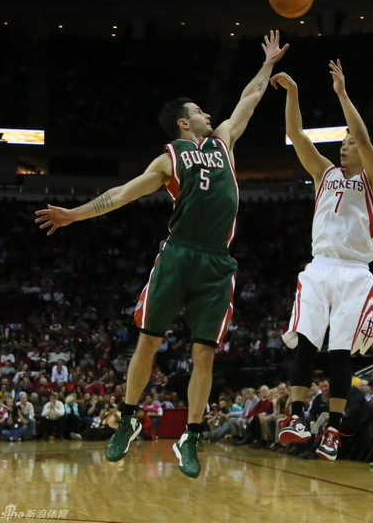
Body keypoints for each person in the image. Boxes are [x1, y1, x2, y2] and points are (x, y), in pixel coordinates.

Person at [35, 31, 288, 478]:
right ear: (183, 123)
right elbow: (121, 194)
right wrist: (74, 214)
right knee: (148, 341)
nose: (208, 114)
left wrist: (267, 64)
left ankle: (191, 436)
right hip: (178, 255)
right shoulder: (168, 160)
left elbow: (249, 99)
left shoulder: (224, 141)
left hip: (217, 261)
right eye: (199, 111)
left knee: (204, 354)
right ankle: (127, 418)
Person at [270, 60, 373, 461]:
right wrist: (292, 93)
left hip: (355, 272)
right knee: (305, 342)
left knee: (340, 352)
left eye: (350, 143)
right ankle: (297, 417)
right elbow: (296, 134)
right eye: (343, 142)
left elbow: (364, 137)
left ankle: (335, 429)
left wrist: (341, 94)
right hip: (319, 266)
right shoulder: (324, 173)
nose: (345, 145)